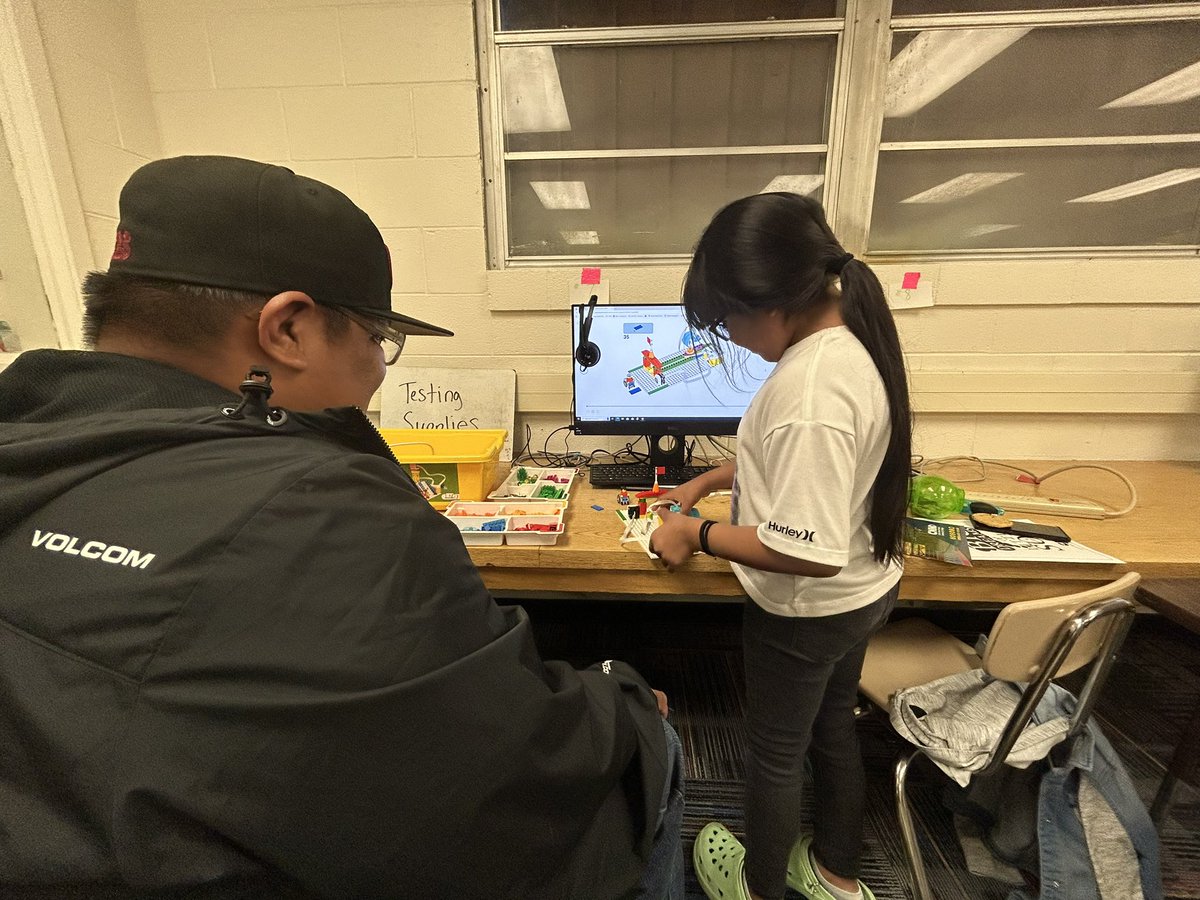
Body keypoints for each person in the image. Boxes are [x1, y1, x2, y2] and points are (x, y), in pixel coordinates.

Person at [0, 155, 684, 900]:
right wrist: (620, 699)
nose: (379, 370)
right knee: (655, 748)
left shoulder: (29, 443)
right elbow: (504, 768)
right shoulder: (324, 509)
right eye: (376, 337)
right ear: (288, 329)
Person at [649, 192, 912, 900]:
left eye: (728, 320)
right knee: (832, 730)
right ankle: (835, 873)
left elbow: (807, 547)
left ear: (769, 303)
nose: (730, 337)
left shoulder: (811, 389)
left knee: (772, 756)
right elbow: (790, 463)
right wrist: (707, 479)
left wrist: (695, 534)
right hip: (859, 593)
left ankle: (758, 886)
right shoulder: (844, 341)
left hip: (807, 608)